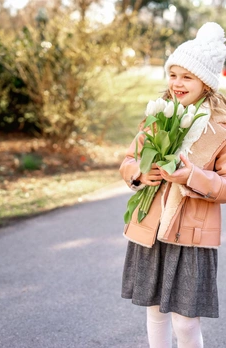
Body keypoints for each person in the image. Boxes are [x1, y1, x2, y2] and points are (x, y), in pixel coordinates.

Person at [119, 22, 226, 348]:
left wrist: (192, 176)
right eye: (173, 74)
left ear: (206, 82)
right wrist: (139, 173)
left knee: (185, 321)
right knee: (154, 311)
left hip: (190, 234)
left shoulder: (220, 127)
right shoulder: (159, 115)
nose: (177, 83)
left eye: (187, 76)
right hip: (150, 227)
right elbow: (128, 160)